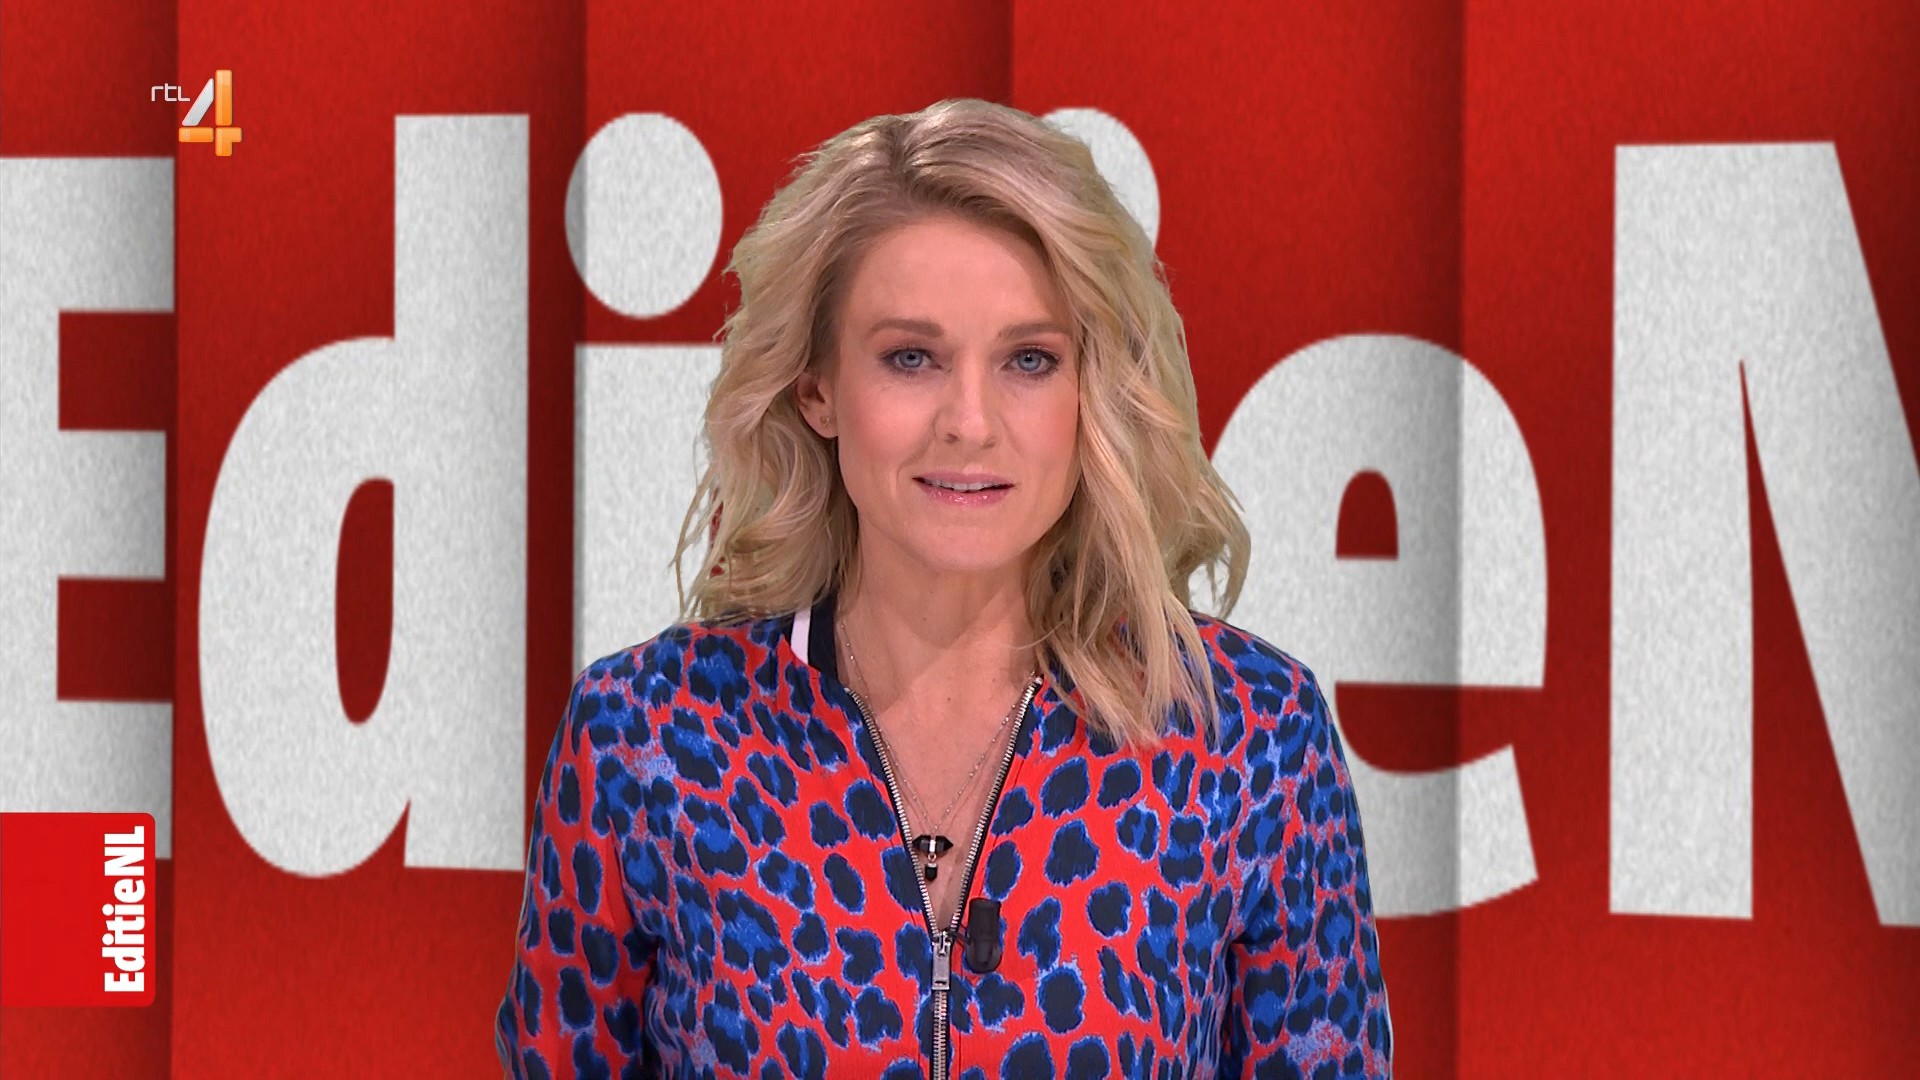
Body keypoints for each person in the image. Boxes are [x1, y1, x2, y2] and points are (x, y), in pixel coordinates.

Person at [495, 97, 1391, 1080]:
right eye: (911, 358)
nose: (970, 421)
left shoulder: (1248, 733)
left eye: (1030, 361)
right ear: (817, 388)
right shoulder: (646, 737)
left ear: (1091, 392)